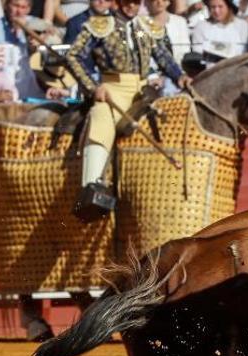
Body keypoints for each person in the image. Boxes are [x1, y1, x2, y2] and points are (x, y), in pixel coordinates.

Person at [66, 0, 192, 217]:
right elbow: (73, 56)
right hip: (112, 88)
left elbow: (163, 56)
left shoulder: (145, 26)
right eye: (126, 1)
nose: (130, 6)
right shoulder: (100, 25)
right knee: (101, 122)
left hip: (142, 92)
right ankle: (91, 187)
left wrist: (179, 76)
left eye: (135, 2)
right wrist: (92, 87)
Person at [0, 0, 43, 99]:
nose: (19, 11)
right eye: (16, 6)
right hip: (3, 79)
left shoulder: (35, 24)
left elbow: (52, 33)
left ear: (29, 9)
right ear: (7, 6)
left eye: (23, 7)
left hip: (29, 78)